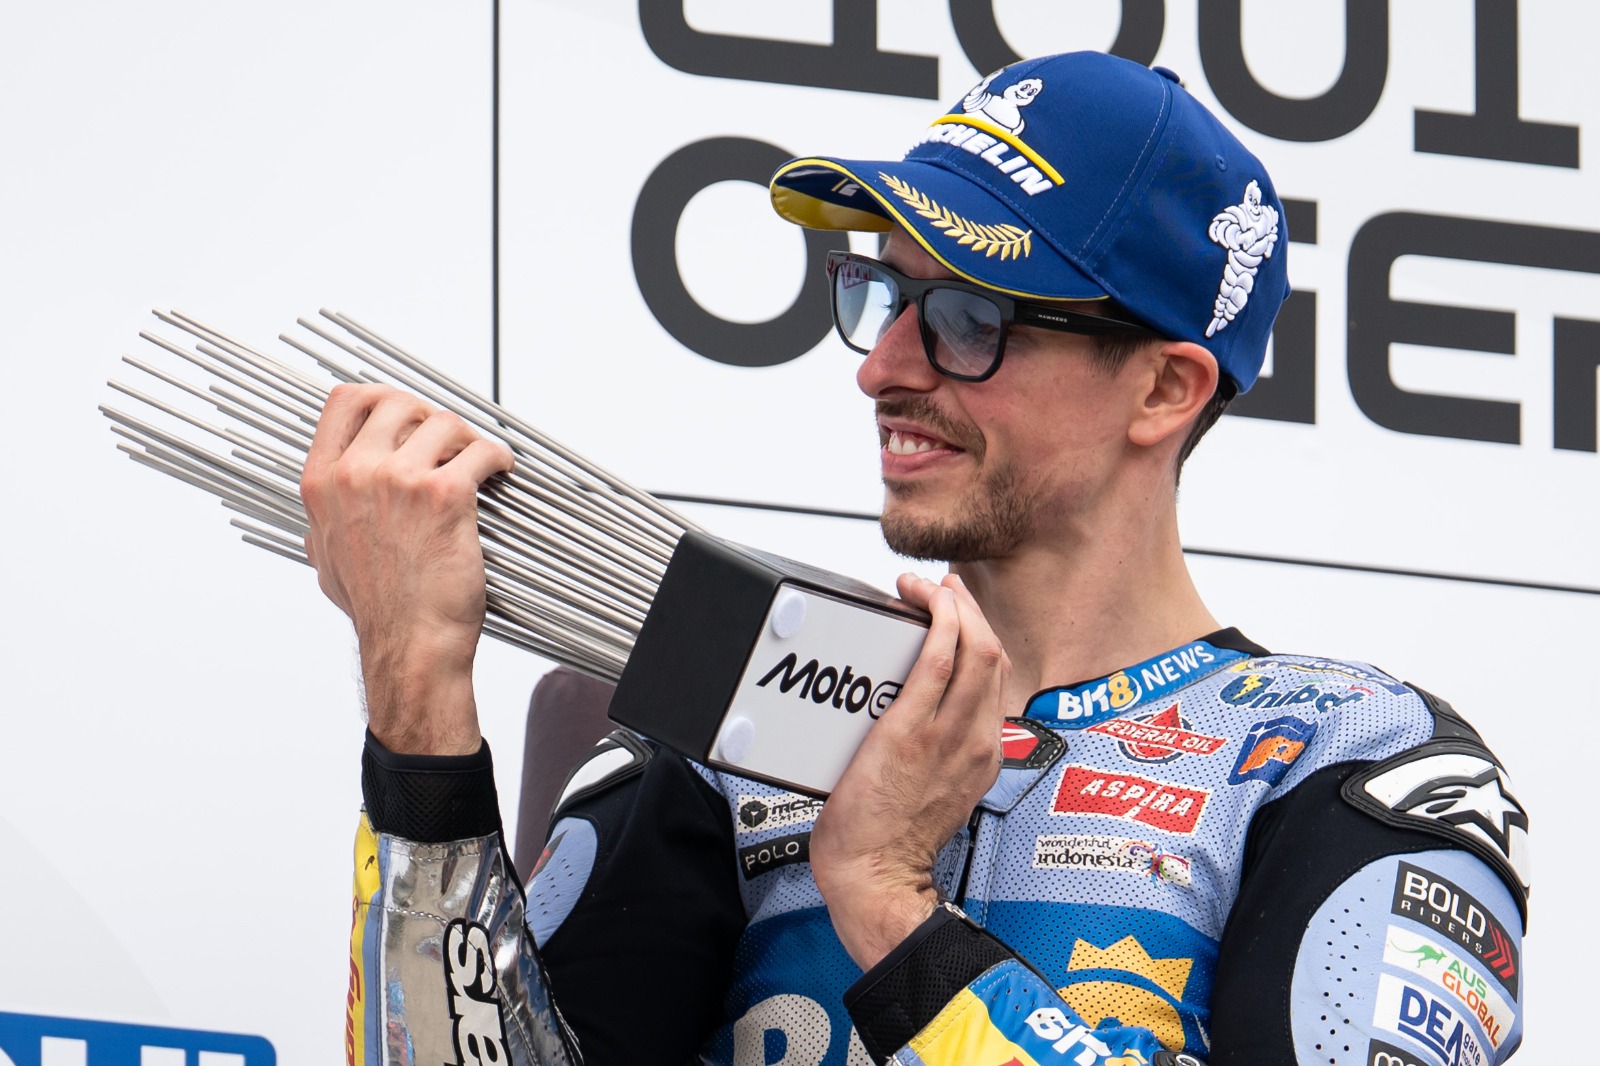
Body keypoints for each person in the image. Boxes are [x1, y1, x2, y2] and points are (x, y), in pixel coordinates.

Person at [310, 52, 1529, 1066]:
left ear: (1164, 387)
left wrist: (894, 905)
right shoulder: (731, 729)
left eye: (966, 319)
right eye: (880, 295)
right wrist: (418, 722)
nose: (884, 367)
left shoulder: (1346, 757)